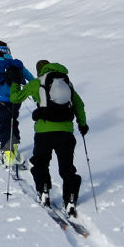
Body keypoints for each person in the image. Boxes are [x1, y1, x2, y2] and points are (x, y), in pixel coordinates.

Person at [26, 59, 90, 216]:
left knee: (40, 163)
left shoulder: (38, 82)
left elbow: (15, 97)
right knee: (67, 168)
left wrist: (13, 83)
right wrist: (82, 124)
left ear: (39, 71)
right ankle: (70, 198)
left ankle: (44, 190)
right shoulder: (67, 83)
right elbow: (79, 104)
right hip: (66, 133)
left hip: (43, 133)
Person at [0, 43, 32, 166]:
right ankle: (14, 149)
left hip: (1, 100)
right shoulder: (16, 64)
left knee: (5, 124)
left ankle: (7, 153)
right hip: (16, 100)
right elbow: (31, 78)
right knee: (13, 122)